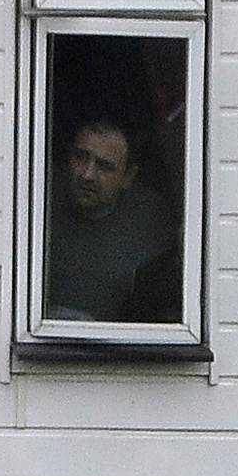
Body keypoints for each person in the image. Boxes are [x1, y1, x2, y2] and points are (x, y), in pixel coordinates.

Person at [43, 111, 175, 322]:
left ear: (128, 177)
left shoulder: (152, 224)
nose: (87, 175)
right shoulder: (37, 203)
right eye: (80, 157)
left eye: (104, 166)